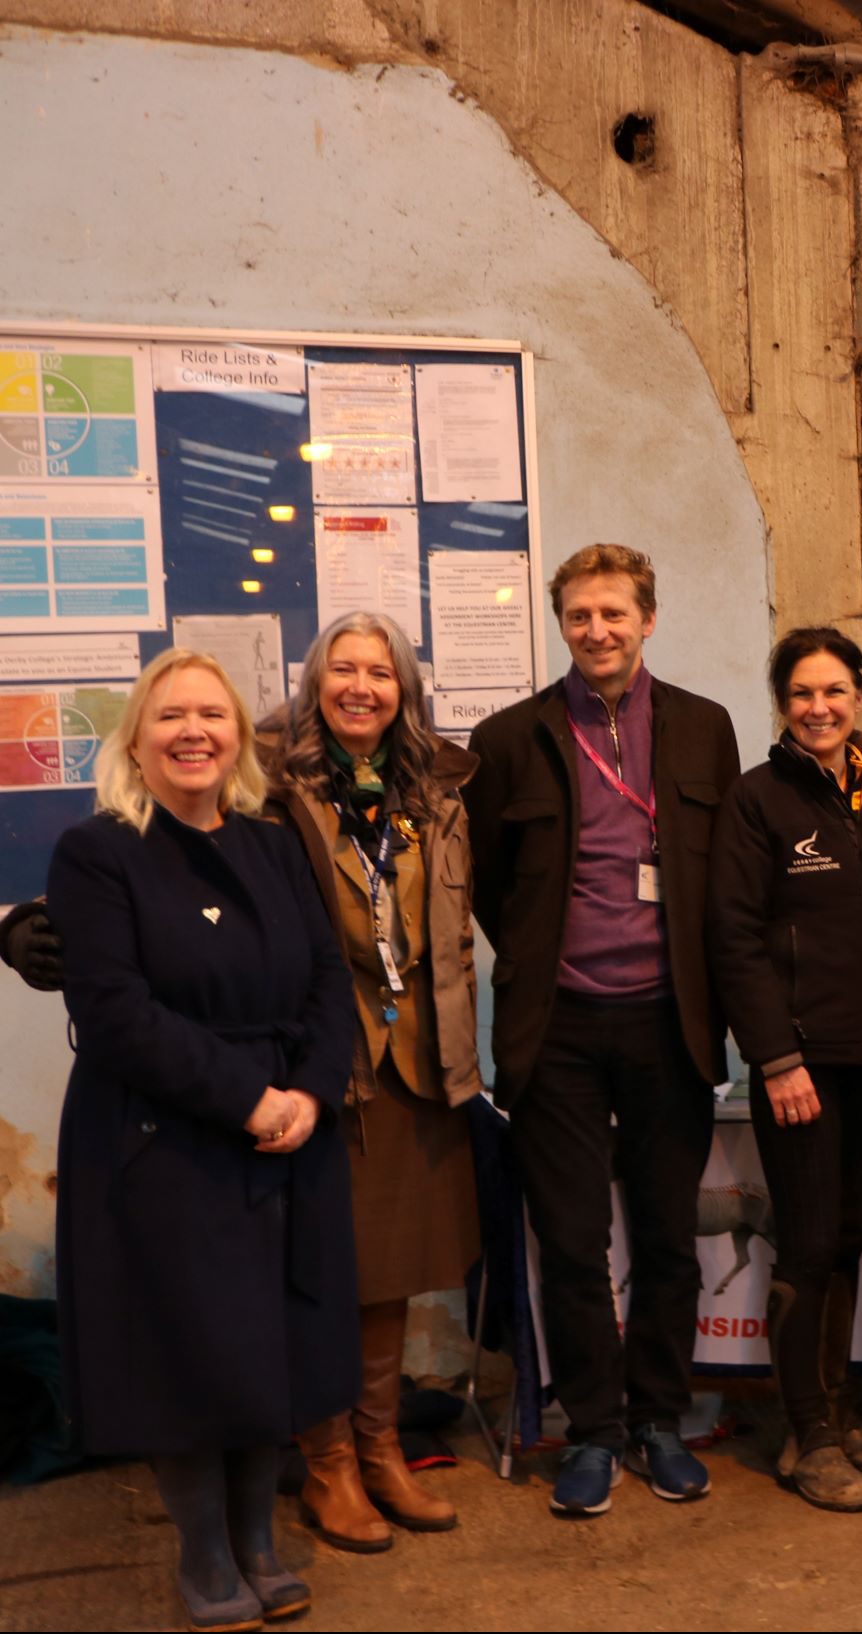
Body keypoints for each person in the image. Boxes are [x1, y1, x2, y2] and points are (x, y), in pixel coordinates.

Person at [47, 649, 356, 1631]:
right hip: (160, 1134)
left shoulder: (273, 842)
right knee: (187, 1347)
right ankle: (206, 1547)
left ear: (238, 735)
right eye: (170, 714)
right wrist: (248, 1098)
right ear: (135, 737)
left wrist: (308, 1091)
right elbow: (114, 1013)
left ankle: (260, 1536)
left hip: (284, 1128)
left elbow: (324, 977)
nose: (193, 731)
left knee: (272, 1339)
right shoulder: (97, 851)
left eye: (211, 714)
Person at [467, 543, 740, 1516]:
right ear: (561, 623)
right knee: (574, 1241)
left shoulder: (706, 730)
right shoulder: (508, 740)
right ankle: (592, 1429)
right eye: (579, 614)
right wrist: (550, 960)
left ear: (648, 618)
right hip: (562, 1033)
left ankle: (660, 1418)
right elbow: (497, 889)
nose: (597, 629)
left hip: (670, 1024)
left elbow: (723, 883)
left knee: (668, 1237)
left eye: (614, 612)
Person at [268, 612, 483, 1549]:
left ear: (406, 690)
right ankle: (327, 1467)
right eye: (343, 670)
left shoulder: (432, 791)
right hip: (320, 1060)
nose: (362, 686)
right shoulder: (268, 789)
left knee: (391, 1266)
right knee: (321, 1269)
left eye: (382, 673)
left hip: (416, 1056)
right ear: (315, 683)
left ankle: (382, 1448)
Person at [708, 627, 862, 1512]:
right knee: (804, 1244)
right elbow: (732, 938)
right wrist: (776, 1057)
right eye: (802, 693)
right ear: (782, 703)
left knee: (848, 1241)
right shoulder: (757, 800)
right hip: (803, 1067)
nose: (820, 707)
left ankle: (845, 1415)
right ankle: (808, 1436)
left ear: (859, 695)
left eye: (835, 690)